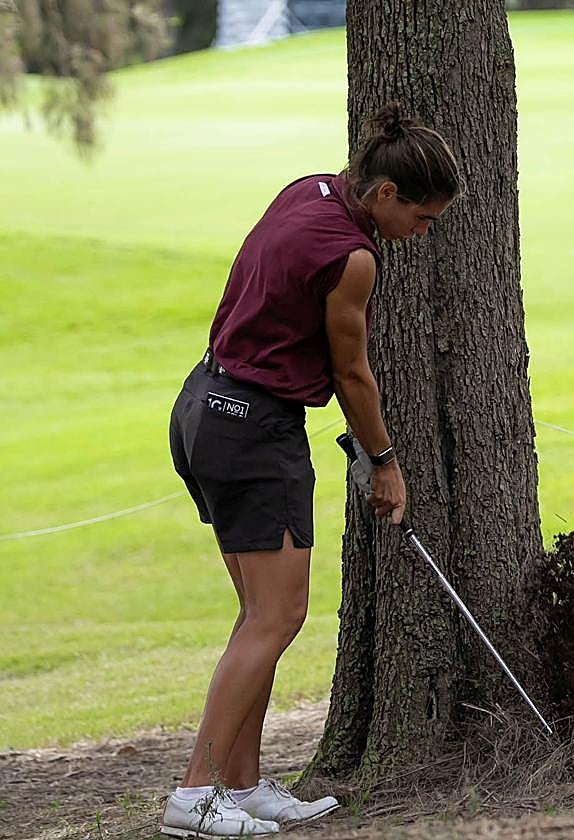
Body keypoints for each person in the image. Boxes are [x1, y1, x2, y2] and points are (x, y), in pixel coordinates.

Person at [161, 103, 462, 838]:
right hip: (253, 429)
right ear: (386, 194)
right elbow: (353, 373)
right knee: (278, 615)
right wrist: (386, 463)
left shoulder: (309, 190)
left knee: (256, 617)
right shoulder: (354, 258)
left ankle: (243, 785)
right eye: (423, 219)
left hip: (204, 406)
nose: (423, 234)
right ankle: (194, 797)